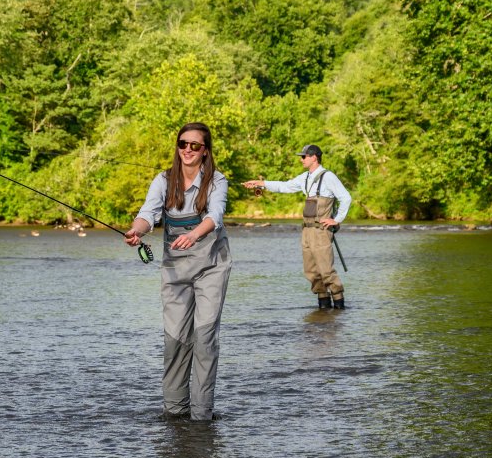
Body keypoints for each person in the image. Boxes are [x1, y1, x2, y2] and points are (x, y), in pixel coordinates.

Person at [125, 122, 231, 422]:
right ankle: (174, 412)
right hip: (175, 268)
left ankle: (201, 415)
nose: (187, 149)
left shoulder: (217, 181)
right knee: (175, 339)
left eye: (195, 145)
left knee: (205, 336)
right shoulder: (163, 180)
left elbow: (215, 215)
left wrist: (195, 234)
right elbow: (148, 214)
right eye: (182, 143)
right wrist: (136, 231)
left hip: (212, 265)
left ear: (205, 151)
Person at [242, 144, 352, 310]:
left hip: (321, 231)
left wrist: (336, 220)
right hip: (306, 230)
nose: (301, 159)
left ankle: (339, 305)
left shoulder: (328, 176)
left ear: (314, 157)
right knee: (311, 271)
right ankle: (323, 308)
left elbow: (346, 198)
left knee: (326, 271)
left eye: (304, 156)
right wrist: (261, 183)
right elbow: (284, 186)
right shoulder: (305, 177)